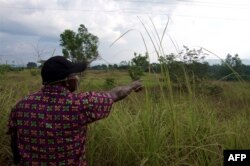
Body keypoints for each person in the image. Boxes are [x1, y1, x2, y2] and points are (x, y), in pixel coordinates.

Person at [7, 56, 143, 166]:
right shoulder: (79, 104)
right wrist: (133, 85)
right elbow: (115, 94)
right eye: (74, 75)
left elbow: (15, 142)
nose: (77, 78)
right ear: (66, 80)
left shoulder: (20, 106)